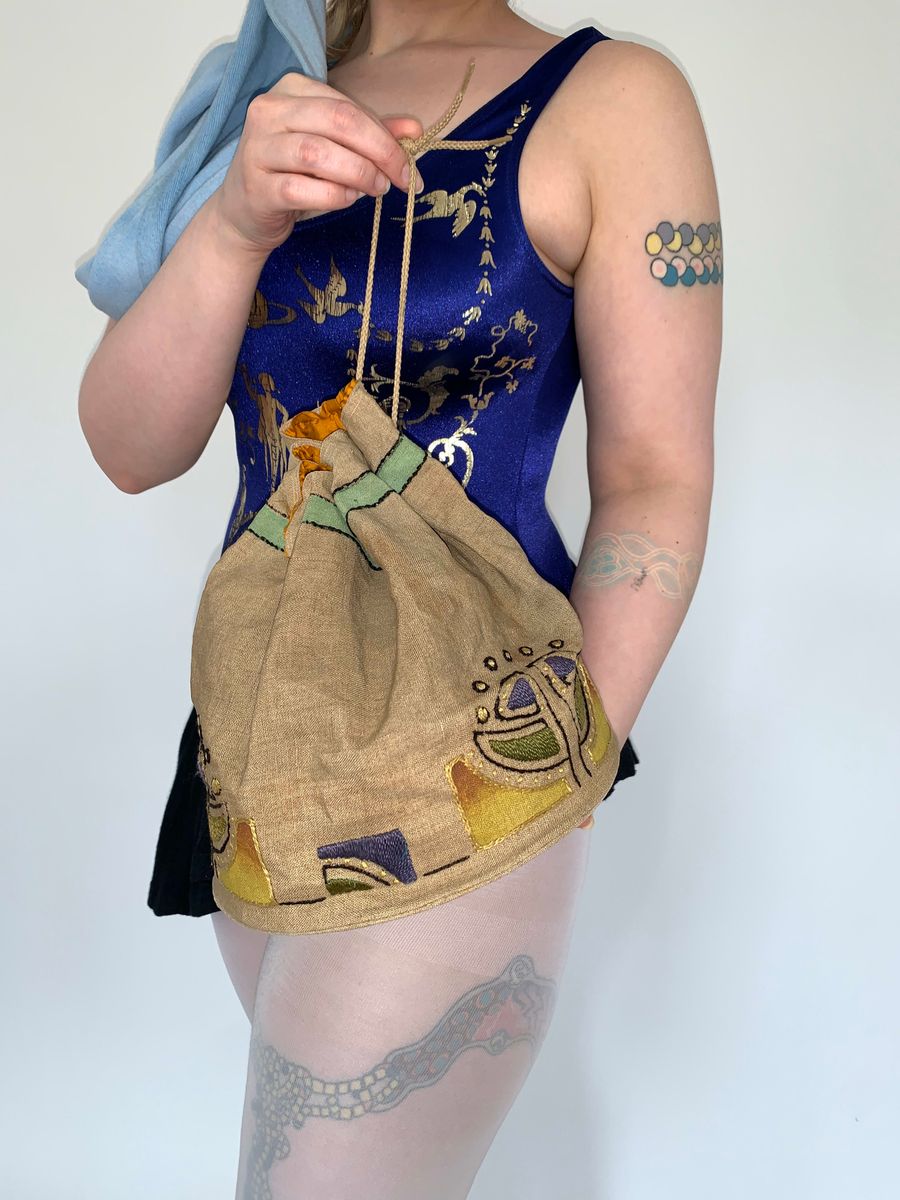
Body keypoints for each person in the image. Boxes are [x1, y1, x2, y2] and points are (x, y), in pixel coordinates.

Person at [77, 0, 721, 1194]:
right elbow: (128, 446)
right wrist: (231, 224)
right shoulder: (259, 87)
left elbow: (655, 482)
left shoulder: (614, 98)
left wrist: (553, 774)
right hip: (252, 766)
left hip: (463, 762)